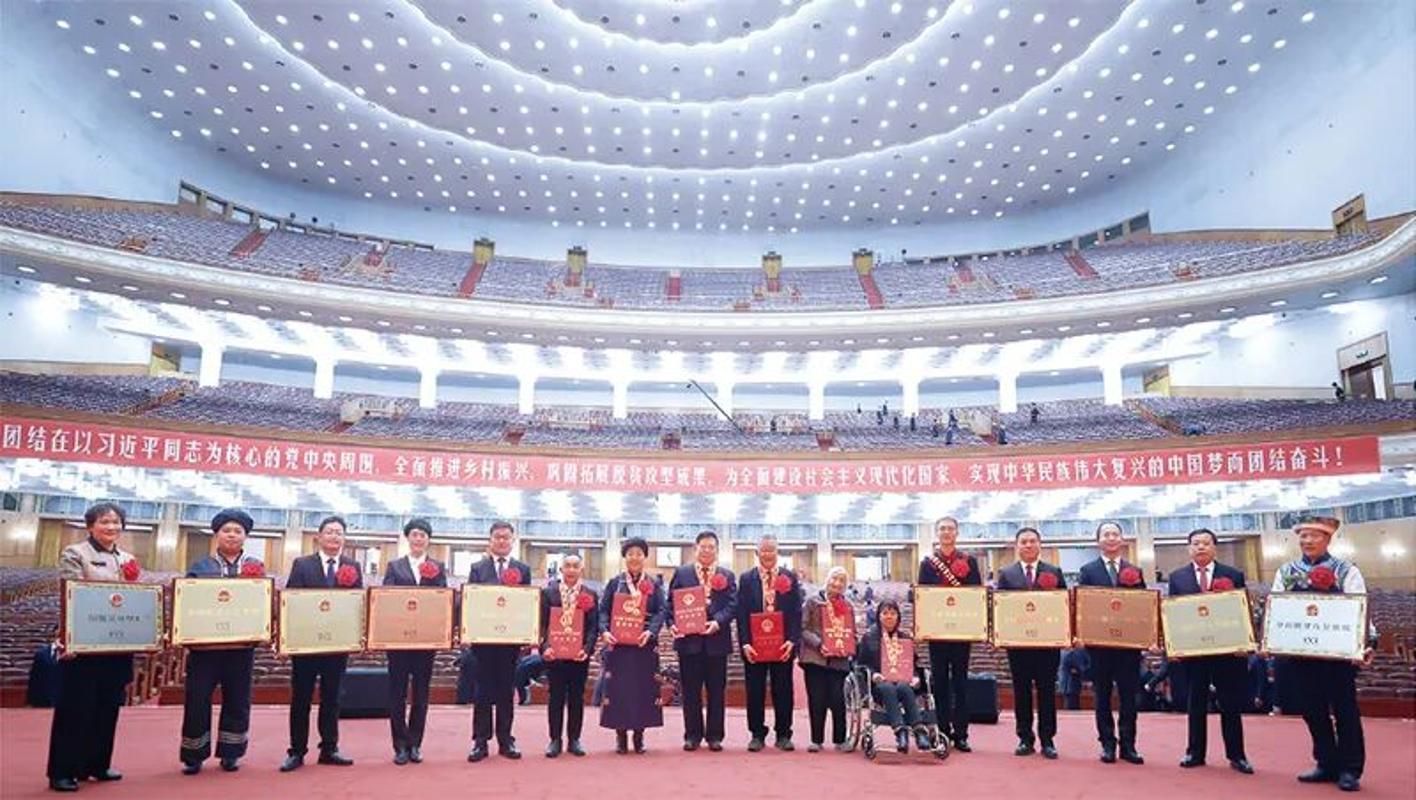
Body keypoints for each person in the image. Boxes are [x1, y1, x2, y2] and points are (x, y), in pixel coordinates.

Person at [1272, 515, 1371, 793]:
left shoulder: (1346, 571)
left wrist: (1365, 643)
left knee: (1345, 711)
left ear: (1328, 539)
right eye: (1303, 536)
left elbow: (1360, 607)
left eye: (1314, 535)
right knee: (1312, 710)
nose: (1307, 541)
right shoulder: (1286, 571)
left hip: (1337, 655)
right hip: (1301, 654)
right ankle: (1326, 762)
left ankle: (1350, 768)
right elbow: (1277, 608)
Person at [45, 502, 139, 793]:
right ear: (90, 526)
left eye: (116, 522)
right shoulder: (76, 553)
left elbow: (136, 598)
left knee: (108, 707)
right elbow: (71, 593)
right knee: (75, 708)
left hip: (117, 643)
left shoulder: (128, 558)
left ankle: (97, 764)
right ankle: (63, 771)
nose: (111, 527)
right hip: (83, 641)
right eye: (104, 522)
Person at [180, 508, 265, 775]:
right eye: (226, 530)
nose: (232, 535)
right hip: (205, 649)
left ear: (245, 536)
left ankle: (231, 752)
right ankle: (194, 754)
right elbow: (187, 604)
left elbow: (262, 604)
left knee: (238, 700)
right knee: (197, 699)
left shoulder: (255, 567)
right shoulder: (200, 567)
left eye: (238, 531)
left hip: (241, 649)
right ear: (216, 534)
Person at [1169, 527, 1253, 774]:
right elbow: (1173, 614)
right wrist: (1175, 645)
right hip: (1194, 651)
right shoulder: (1178, 577)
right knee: (1196, 702)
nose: (1201, 547)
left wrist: (1244, 642)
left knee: (1230, 703)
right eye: (1196, 543)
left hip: (1226, 651)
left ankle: (1237, 755)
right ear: (1189, 548)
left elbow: (1241, 611)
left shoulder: (1233, 575)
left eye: (1206, 543)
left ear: (1214, 547)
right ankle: (1194, 752)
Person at [281, 515, 361, 772]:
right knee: (301, 698)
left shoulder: (352, 566)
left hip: (336, 645)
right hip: (306, 645)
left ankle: (329, 748)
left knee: (332, 698)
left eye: (339, 532)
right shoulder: (302, 564)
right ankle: (297, 751)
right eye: (329, 531)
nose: (334, 536)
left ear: (344, 538)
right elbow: (292, 601)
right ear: (319, 536)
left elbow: (356, 603)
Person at [1076, 521, 1147, 765]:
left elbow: (1143, 607)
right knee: (1102, 697)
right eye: (1106, 534)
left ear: (1122, 539)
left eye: (1115, 534)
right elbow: (1083, 606)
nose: (1111, 538)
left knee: (1129, 697)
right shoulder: (1088, 571)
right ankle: (1107, 743)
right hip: (1100, 647)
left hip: (1128, 647)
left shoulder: (1134, 571)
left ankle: (1128, 745)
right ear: (1098, 541)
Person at [995, 526, 1066, 759]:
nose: (1028, 545)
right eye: (1023, 541)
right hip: (1019, 645)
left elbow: (1063, 606)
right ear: (1017, 546)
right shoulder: (1007, 574)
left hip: (1047, 645)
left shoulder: (1054, 572)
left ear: (1039, 544)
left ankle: (1048, 739)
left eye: (1032, 541)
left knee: (1047, 692)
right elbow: (1001, 608)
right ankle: (1025, 738)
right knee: (1021, 692)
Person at [382, 518, 448, 766]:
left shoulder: (438, 567)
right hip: (399, 642)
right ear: (408, 538)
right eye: (415, 534)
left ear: (429, 540)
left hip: (425, 641)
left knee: (421, 694)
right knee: (397, 694)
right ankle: (399, 745)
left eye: (423, 535)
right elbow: (387, 600)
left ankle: (415, 744)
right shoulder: (394, 566)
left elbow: (443, 601)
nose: (419, 539)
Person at [465, 520, 532, 762]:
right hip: (483, 642)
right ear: (490, 540)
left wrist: (527, 634)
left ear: (513, 541)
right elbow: (471, 601)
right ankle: (480, 742)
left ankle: (506, 740)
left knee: (506, 691)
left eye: (506, 537)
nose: (502, 541)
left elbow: (527, 603)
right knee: (482, 692)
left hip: (510, 642)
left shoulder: (522, 569)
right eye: (497, 537)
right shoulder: (477, 568)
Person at [916, 516, 983, 751]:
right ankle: (942, 731)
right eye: (942, 529)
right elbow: (922, 596)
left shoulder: (969, 561)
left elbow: (976, 594)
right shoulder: (928, 563)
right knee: (940, 683)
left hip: (961, 631)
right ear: (937, 533)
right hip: (937, 632)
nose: (946, 532)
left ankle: (962, 733)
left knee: (961, 683)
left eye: (950, 529)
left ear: (957, 533)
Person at [668, 530, 737, 752]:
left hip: (717, 641)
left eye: (711, 547)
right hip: (689, 642)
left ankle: (715, 736)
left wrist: (717, 621)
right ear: (695, 548)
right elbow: (670, 604)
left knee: (717, 691)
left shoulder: (726, 575)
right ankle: (692, 735)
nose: (707, 550)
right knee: (690, 691)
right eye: (703, 546)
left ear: (717, 550)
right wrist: (672, 624)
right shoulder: (682, 573)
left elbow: (733, 605)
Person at [598, 537, 665, 754]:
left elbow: (661, 611)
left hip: (644, 645)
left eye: (639, 554)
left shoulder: (653, 584)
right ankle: (620, 736)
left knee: (643, 690)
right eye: (630, 554)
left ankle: (639, 736)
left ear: (645, 557)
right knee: (619, 691)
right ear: (624, 557)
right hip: (619, 646)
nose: (634, 558)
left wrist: (650, 631)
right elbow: (603, 611)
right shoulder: (614, 583)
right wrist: (605, 631)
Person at [736, 534, 802, 752]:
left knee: (783, 690)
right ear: (757, 553)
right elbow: (741, 613)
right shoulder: (747, 579)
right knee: (754, 690)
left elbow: (796, 612)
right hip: (755, 645)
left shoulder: (789, 577)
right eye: (763, 550)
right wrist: (745, 642)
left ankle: (783, 734)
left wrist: (792, 640)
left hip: (782, 645)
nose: (767, 554)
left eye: (771, 550)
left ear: (777, 552)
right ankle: (757, 734)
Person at [539, 553, 598, 758]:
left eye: (575, 566)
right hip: (554, 655)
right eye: (567, 566)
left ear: (581, 569)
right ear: (561, 569)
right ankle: (554, 739)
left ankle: (574, 739)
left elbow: (593, 627)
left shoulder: (590, 594)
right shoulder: (548, 593)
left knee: (576, 698)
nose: (571, 570)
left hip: (578, 656)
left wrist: (587, 649)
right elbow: (541, 624)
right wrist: (545, 647)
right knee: (555, 697)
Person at [859, 600, 932, 753]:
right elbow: (861, 664)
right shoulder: (869, 637)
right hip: (879, 684)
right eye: (885, 613)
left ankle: (919, 731)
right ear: (878, 616)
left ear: (898, 616)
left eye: (893, 613)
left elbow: (913, 664)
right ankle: (900, 731)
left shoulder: (905, 639)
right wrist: (873, 675)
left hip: (902, 682)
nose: (889, 617)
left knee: (904, 687)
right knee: (887, 687)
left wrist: (915, 677)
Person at [800, 566, 853, 753]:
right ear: (827, 580)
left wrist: (849, 646)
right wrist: (818, 643)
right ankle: (816, 739)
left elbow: (851, 632)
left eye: (841, 581)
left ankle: (840, 739)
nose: (837, 583)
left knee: (838, 700)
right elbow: (803, 628)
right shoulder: (813, 602)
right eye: (834, 579)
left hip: (838, 660)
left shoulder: (848, 606)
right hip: (815, 658)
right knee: (817, 700)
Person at [27, 626, 61, 708]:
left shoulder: (76, 654)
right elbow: (34, 679)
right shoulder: (41, 654)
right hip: (44, 702)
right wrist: (30, 701)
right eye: (59, 630)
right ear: (54, 633)